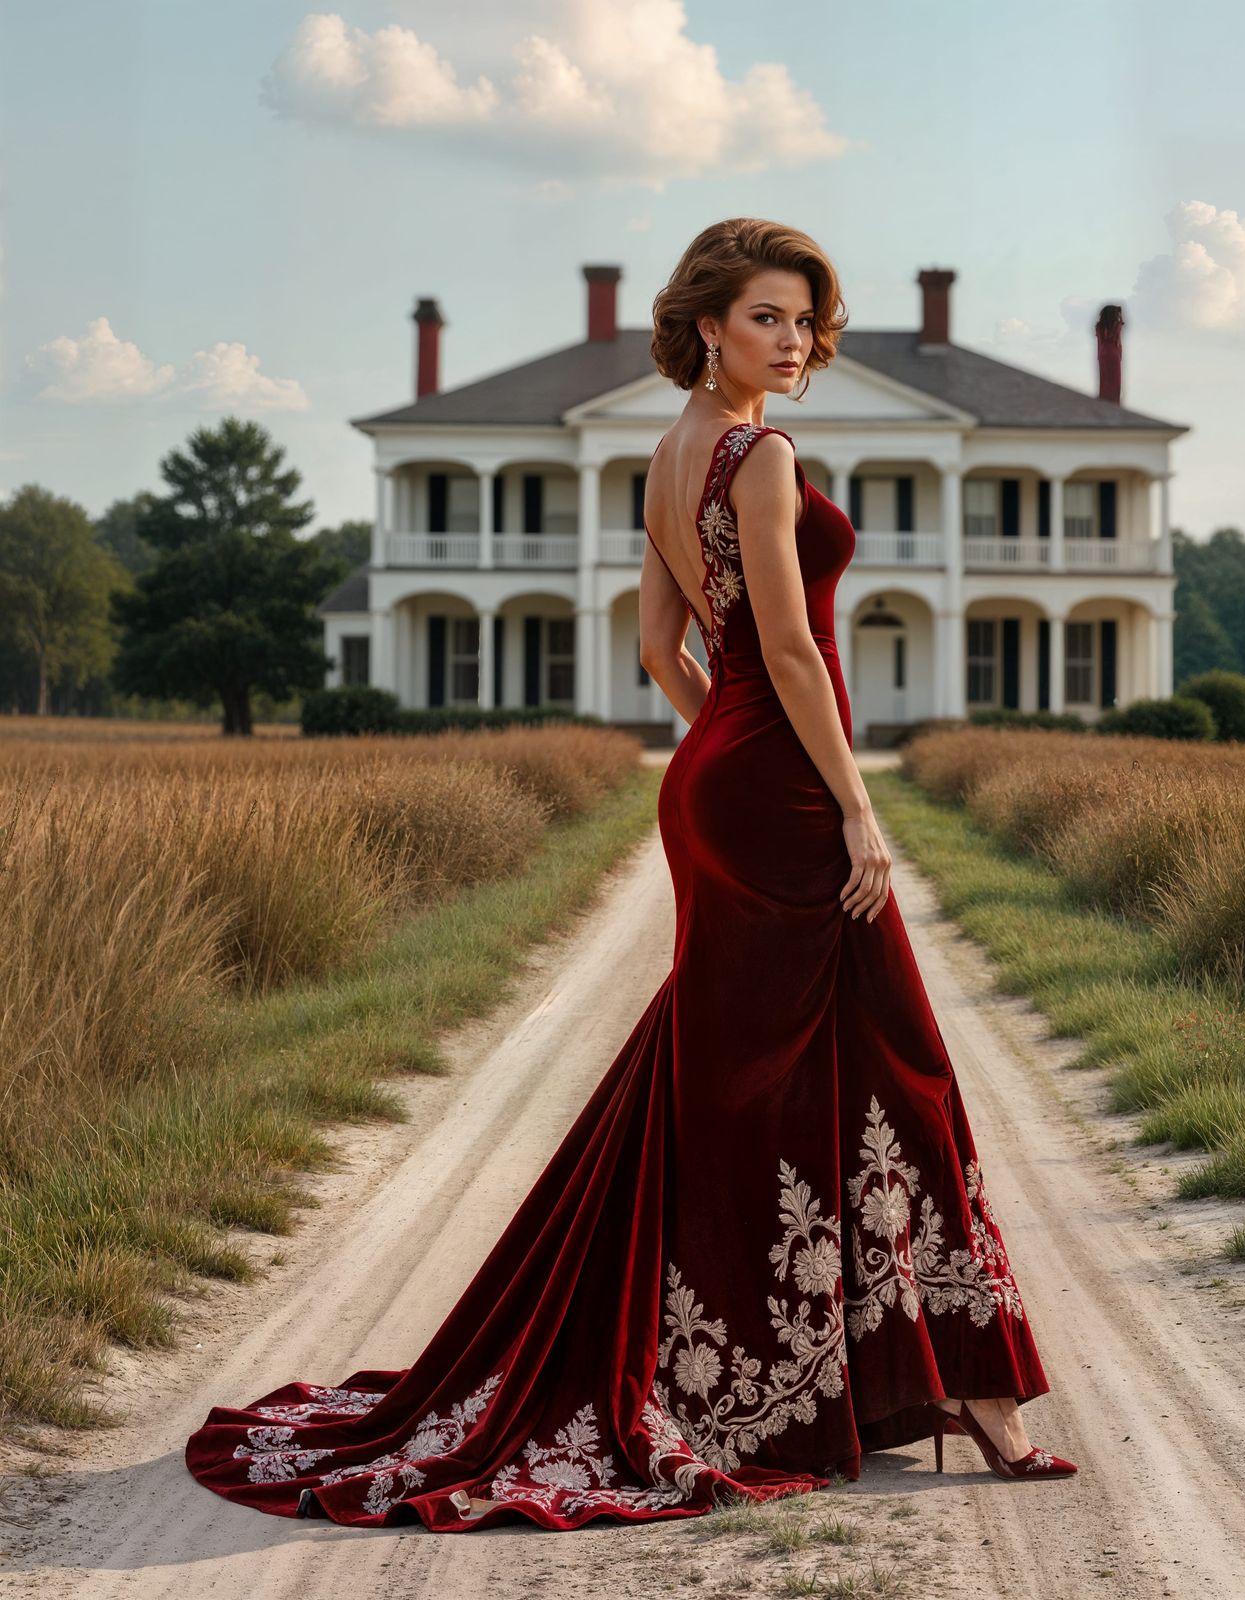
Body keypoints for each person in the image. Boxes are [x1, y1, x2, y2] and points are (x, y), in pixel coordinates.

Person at [183, 217, 1078, 1533]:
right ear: (709, 324)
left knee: (746, 1072)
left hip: (712, 779)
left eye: (804, 319)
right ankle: (963, 1396)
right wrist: (851, 803)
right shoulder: (760, 455)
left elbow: (665, 652)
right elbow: (788, 646)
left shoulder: (667, 459)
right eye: (768, 316)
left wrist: (723, 743)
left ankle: (857, 1382)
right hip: (773, 791)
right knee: (899, 1060)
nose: (794, 340)